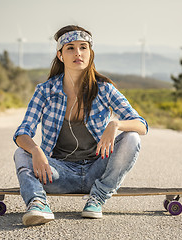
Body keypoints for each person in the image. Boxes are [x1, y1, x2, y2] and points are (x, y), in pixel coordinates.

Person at [13, 25, 148, 226]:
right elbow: (22, 133)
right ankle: (38, 204)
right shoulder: (45, 91)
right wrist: (35, 150)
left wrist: (116, 124)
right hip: (58, 173)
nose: (78, 53)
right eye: (70, 48)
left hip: (98, 170)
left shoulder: (104, 89)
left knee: (132, 137)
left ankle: (97, 198)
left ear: (90, 53)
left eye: (83, 47)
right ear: (60, 55)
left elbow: (142, 125)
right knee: (21, 153)